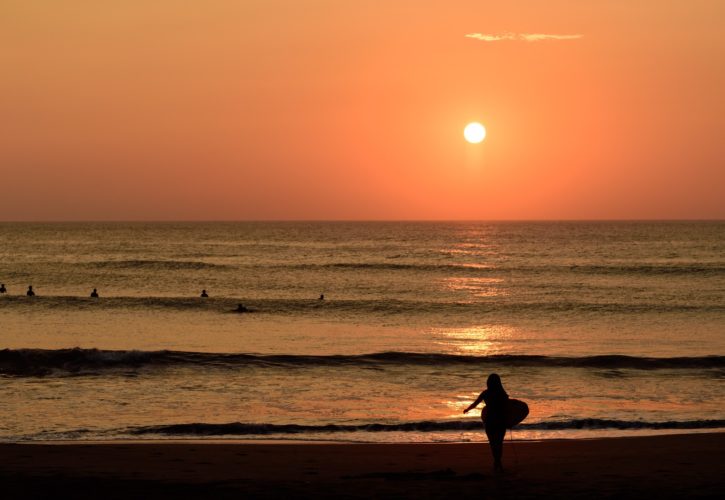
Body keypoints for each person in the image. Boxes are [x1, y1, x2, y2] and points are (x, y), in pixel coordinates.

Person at [463, 373, 509, 472]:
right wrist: (510, 420)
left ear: (488, 382)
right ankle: (498, 463)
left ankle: (497, 463)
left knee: (493, 443)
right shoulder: (503, 394)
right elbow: (508, 408)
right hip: (501, 421)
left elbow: (475, 404)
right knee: (499, 443)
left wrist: (467, 409)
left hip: (490, 421)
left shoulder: (486, 393)